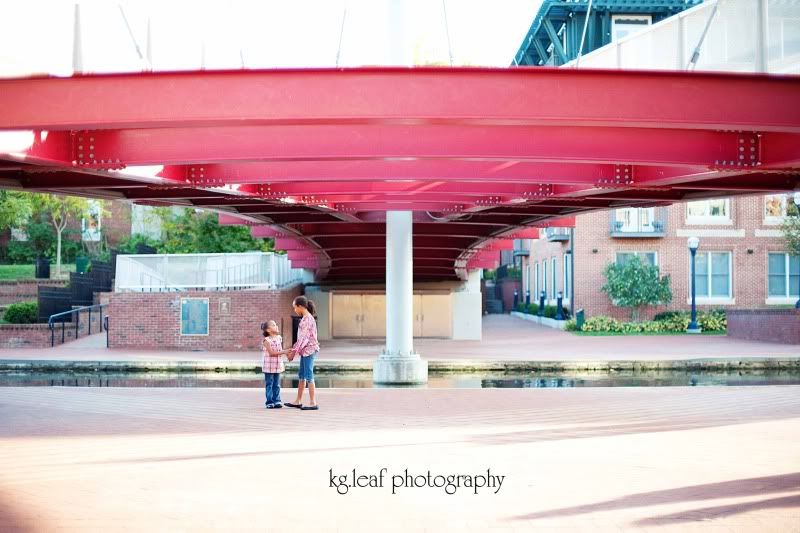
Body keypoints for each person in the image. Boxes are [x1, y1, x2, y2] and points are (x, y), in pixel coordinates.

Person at [285, 296, 320, 411]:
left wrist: (293, 353)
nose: (294, 310)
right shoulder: (305, 318)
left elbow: (303, 339)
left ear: (300, 306)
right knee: (302, 375)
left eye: (295, 307)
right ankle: (298, 400)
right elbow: (301, 339)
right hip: (305, 351)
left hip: (309, 350)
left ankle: (313, 402)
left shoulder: (307, 319)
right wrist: (294, 350)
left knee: (309, 376)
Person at [261, 320, 290, 409]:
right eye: (274, 325)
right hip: (268, 367)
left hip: (277, 365)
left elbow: (279, 350)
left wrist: (288, 354)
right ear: (268, 330)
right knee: (269, 384)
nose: (276, 326)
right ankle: (269, 402)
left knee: (276, 384)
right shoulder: (266, 340)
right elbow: (272, 353)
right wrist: (284, 352)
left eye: (276, 324)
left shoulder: (279, 338)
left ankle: (277, 400)